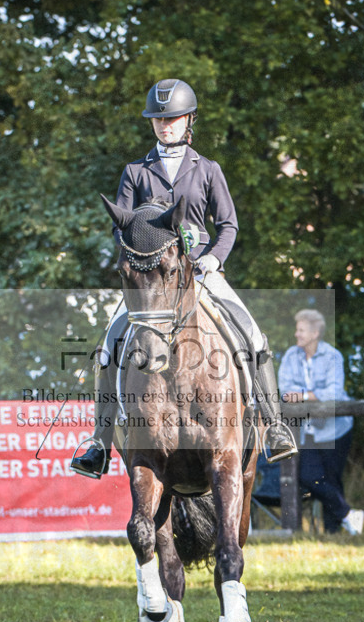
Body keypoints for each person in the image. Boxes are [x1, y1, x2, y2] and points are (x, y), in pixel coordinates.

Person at [70, 77, 297, 477]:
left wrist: (212, 259)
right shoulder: (135, 172)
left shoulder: (207, 169)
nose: (165, 125)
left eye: (172, 118)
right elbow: (120, 227)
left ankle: (275, 427)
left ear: (188, 119)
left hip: (201, 272)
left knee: (253, 334)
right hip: (154, 280)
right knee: (108, 346)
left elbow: (228, 225)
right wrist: (141, 253)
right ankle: (99, 442)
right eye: (158, 119)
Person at [279, 309, 364, 534]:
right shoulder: (290, 356)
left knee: (332, 479)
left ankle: (333, 532)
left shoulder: (332, 356)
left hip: (336, 429)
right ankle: (348, 514)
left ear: (315, 333)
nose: (296, 334)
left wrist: (305, 396)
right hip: (308, 429)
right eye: (297, 329)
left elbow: (334, 393)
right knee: (309, 477)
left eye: (301, 330)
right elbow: (285, 392)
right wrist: (313, 394)